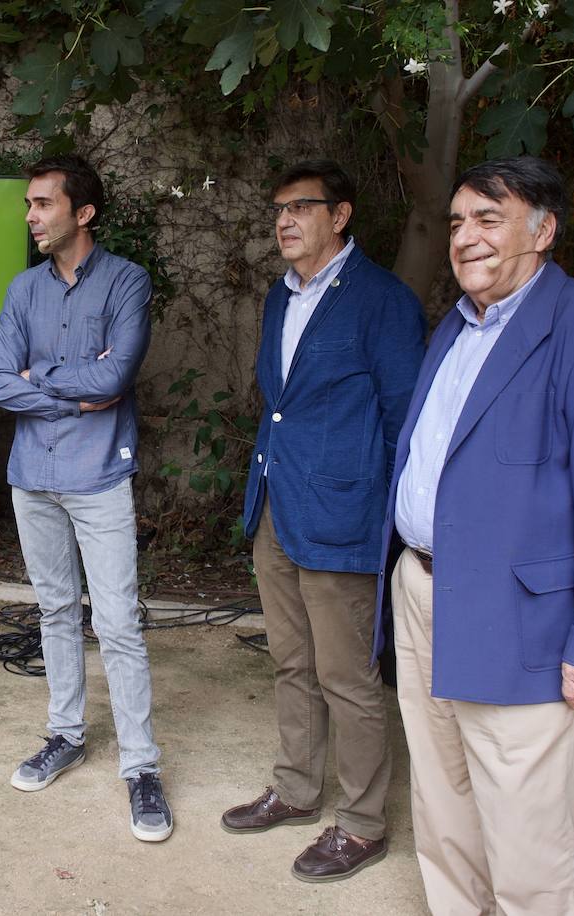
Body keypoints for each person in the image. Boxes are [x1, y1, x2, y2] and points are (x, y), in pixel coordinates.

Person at [378, 156, 574, 913]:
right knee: (443, 806)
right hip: (424, 591)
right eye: (457, 222)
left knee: (527, 836)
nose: (465, 237)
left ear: (543, 232)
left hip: (526, 618)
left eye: (488, 218)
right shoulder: (457, 324)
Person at [221, 160, 425, 882]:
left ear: (340, 217)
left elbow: (407, 421)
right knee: (291, 660)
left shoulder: (382, 301)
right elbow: (282, 404)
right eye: (278, 208)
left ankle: (365, 823)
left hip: (344, 510)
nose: (284, 220)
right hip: (276, 501)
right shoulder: (281, 296)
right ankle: (298, 788)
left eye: (301, 207)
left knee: (346, 674)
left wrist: (392, 521)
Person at [0, 153, 172, 842]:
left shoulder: (127, 281)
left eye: (42, 204)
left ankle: (142, 767)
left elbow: (119, 372)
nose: (30, 216)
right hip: (31, 474)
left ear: (82, 213)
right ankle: (65, 735)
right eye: (29, 204)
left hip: (99, 479)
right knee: (56, 609)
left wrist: (49, 379)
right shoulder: (22, 290)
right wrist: (77, 392)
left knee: (118, 621)